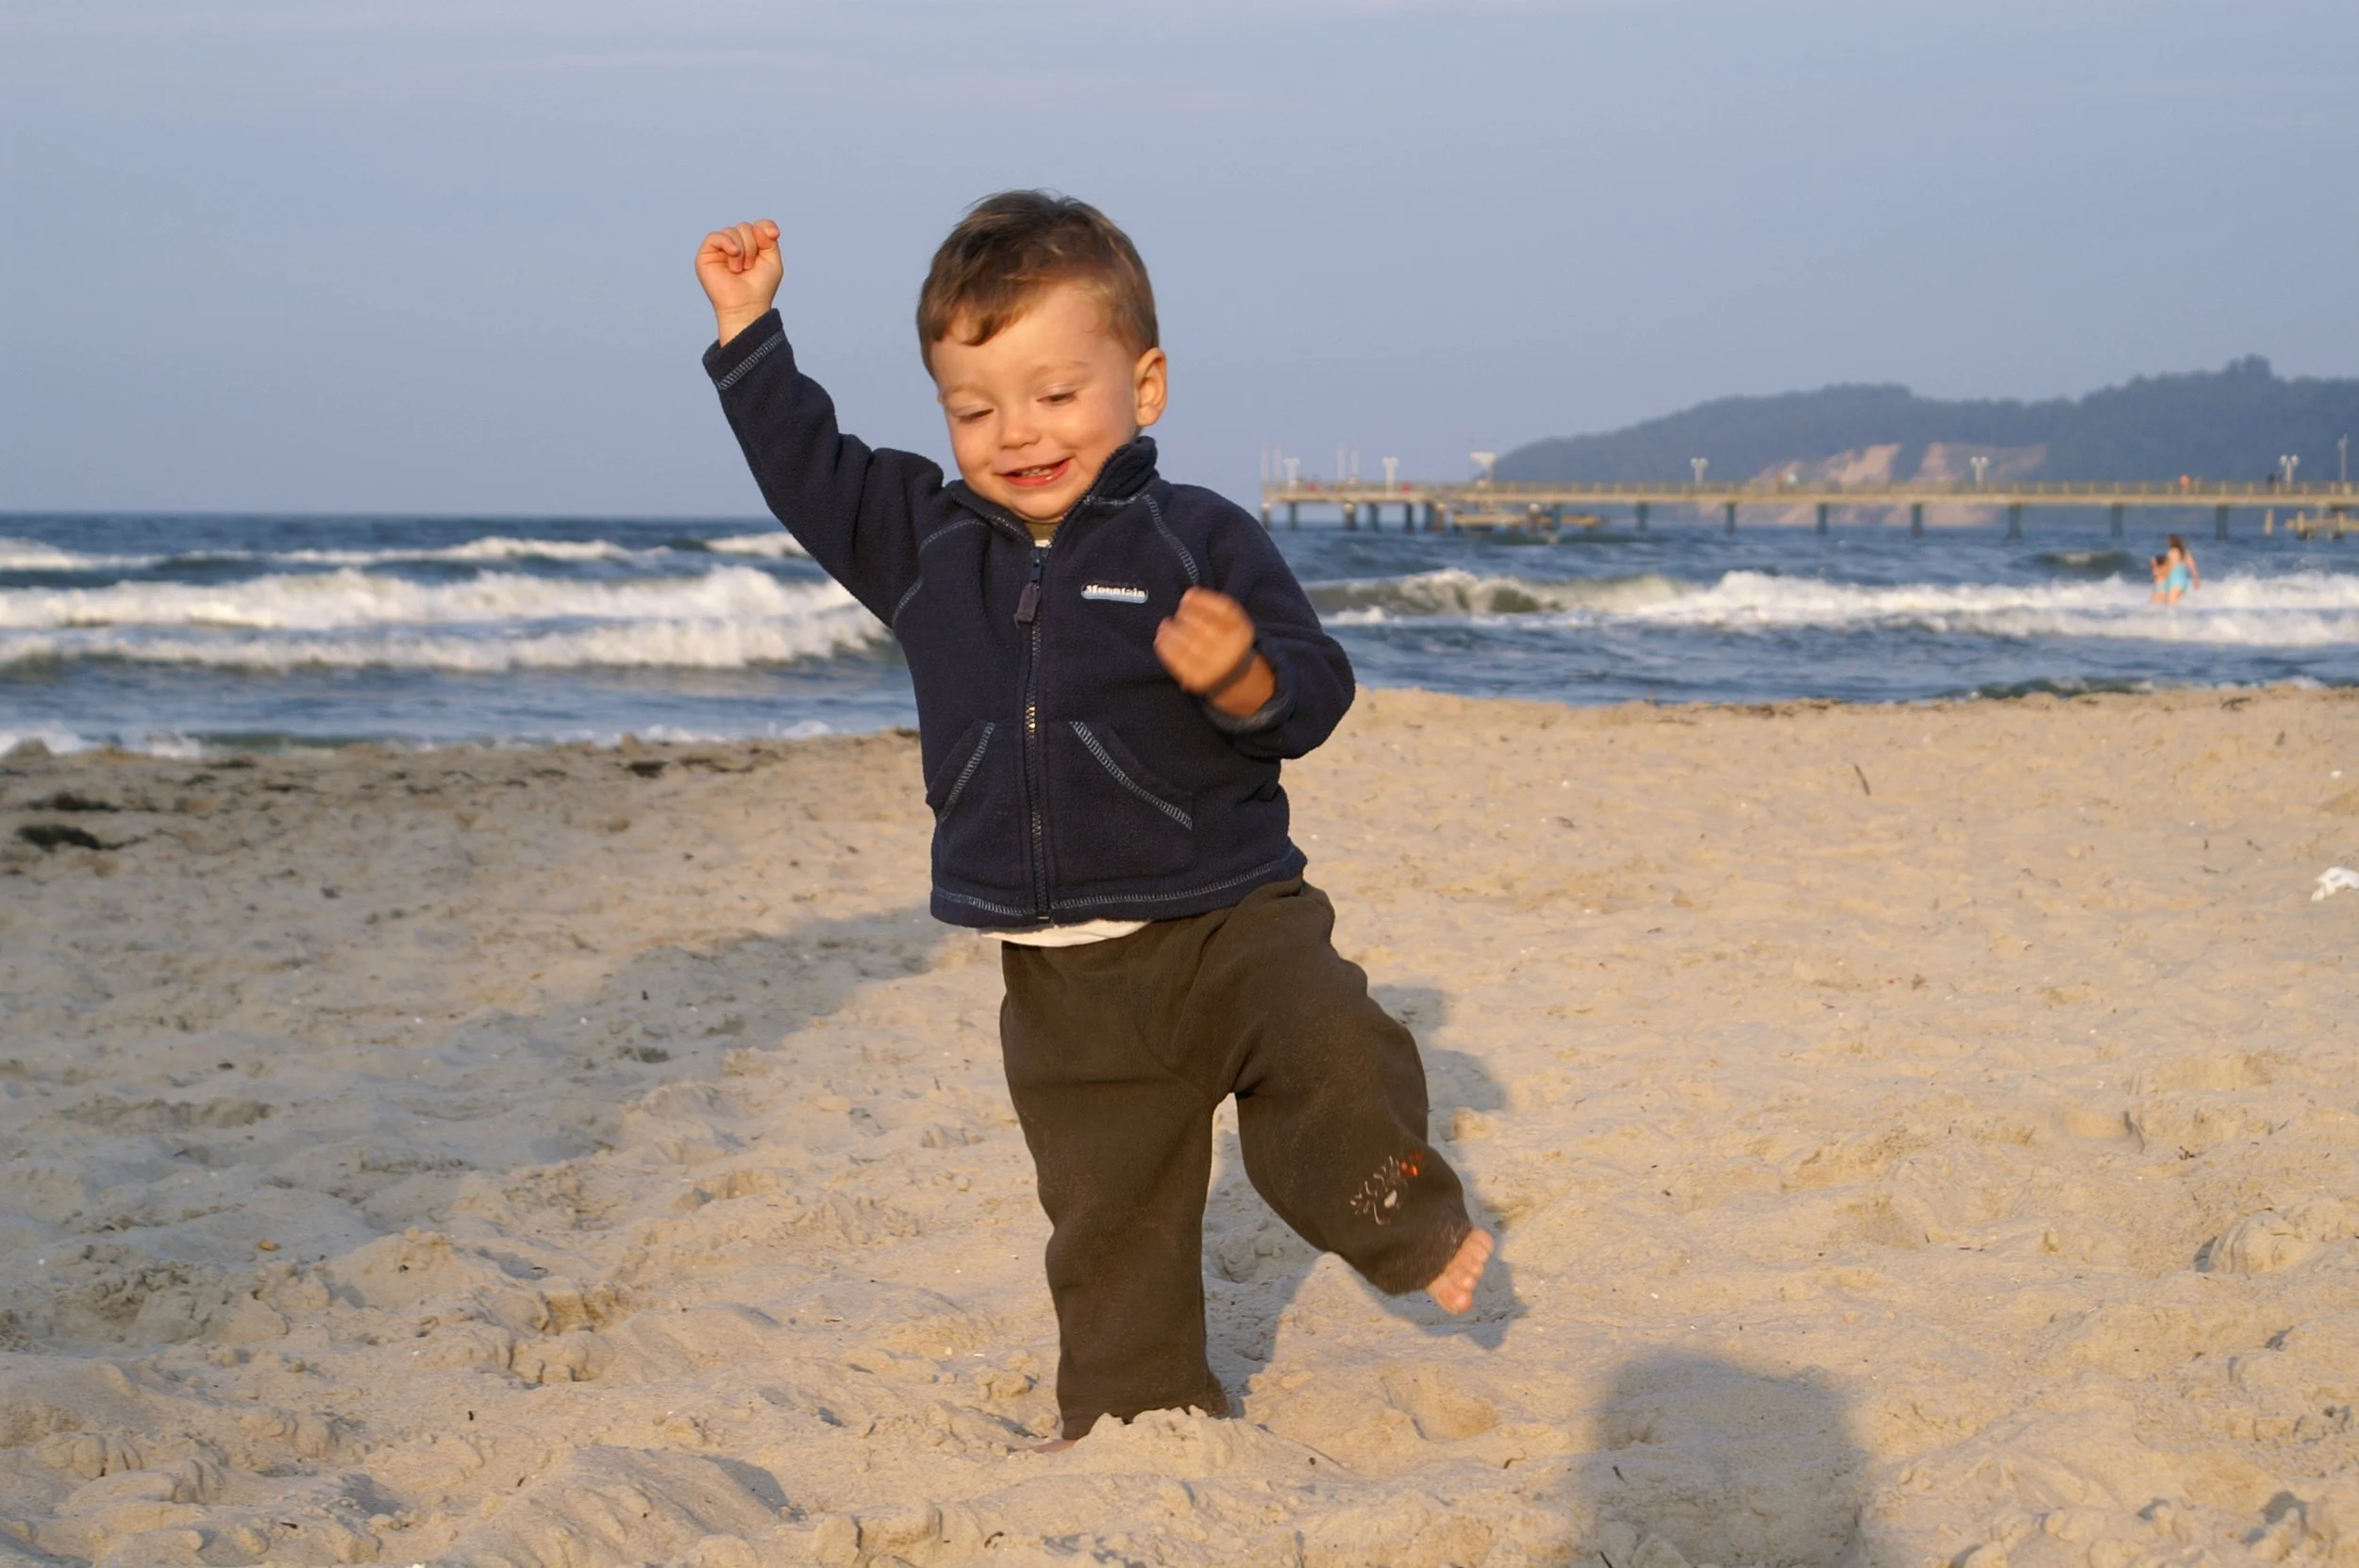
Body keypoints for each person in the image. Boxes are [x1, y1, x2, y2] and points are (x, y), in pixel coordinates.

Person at [694, 194, 1493, 1446]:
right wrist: (751, 332)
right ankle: (1143, 1420)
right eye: (974, 408)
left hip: (1233, 915)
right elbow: (811, 466)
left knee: (1337, 1051)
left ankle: (1405, 1221)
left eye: (1057, 394)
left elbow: (1315, 686)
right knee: (1109, 1222)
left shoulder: (1202, 535)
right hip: (1064, 978)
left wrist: (1245, 681)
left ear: (1146, 383)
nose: (1016, 433)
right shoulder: (923, 543)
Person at [2150, 534, 2200, 605]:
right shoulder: (2186, 553)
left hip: (2174, 583)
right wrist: (2196, 581)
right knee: (2174, 605)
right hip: (2183, 583)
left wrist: (2156, 570)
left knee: (2170, 606)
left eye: (2168, 542)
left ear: (2171, 542)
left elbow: (2167, 569)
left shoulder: (2171, 553)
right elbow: (2193, 568)